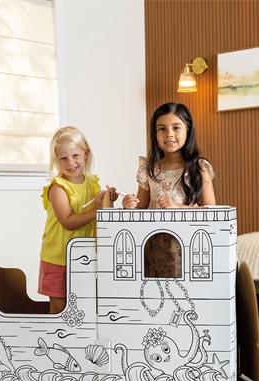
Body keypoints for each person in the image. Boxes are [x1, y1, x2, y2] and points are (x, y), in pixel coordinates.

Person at [122, 102, 216, 278]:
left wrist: (177, 207)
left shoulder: (199, 168)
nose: (169, 134)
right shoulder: (149, 170)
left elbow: (211, 211)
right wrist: (130, 205)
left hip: (189, 248)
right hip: (153, 248)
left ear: (188, 130)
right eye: (162, 129)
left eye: (176, 128)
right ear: (154, 134)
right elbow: (141, 208)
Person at [39, 126, 118, 314]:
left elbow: (101, 213)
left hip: (85, 256)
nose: (71, 162)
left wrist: (108, 200)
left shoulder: (92, 183)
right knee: (59, 305)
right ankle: (54, 333)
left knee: (84, 302)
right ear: (56, 160)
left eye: (75, 155)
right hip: (59, 257)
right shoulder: (58, 188)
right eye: (63, 158)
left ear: (86, 154)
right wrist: (97, 210)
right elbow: (68, 221)